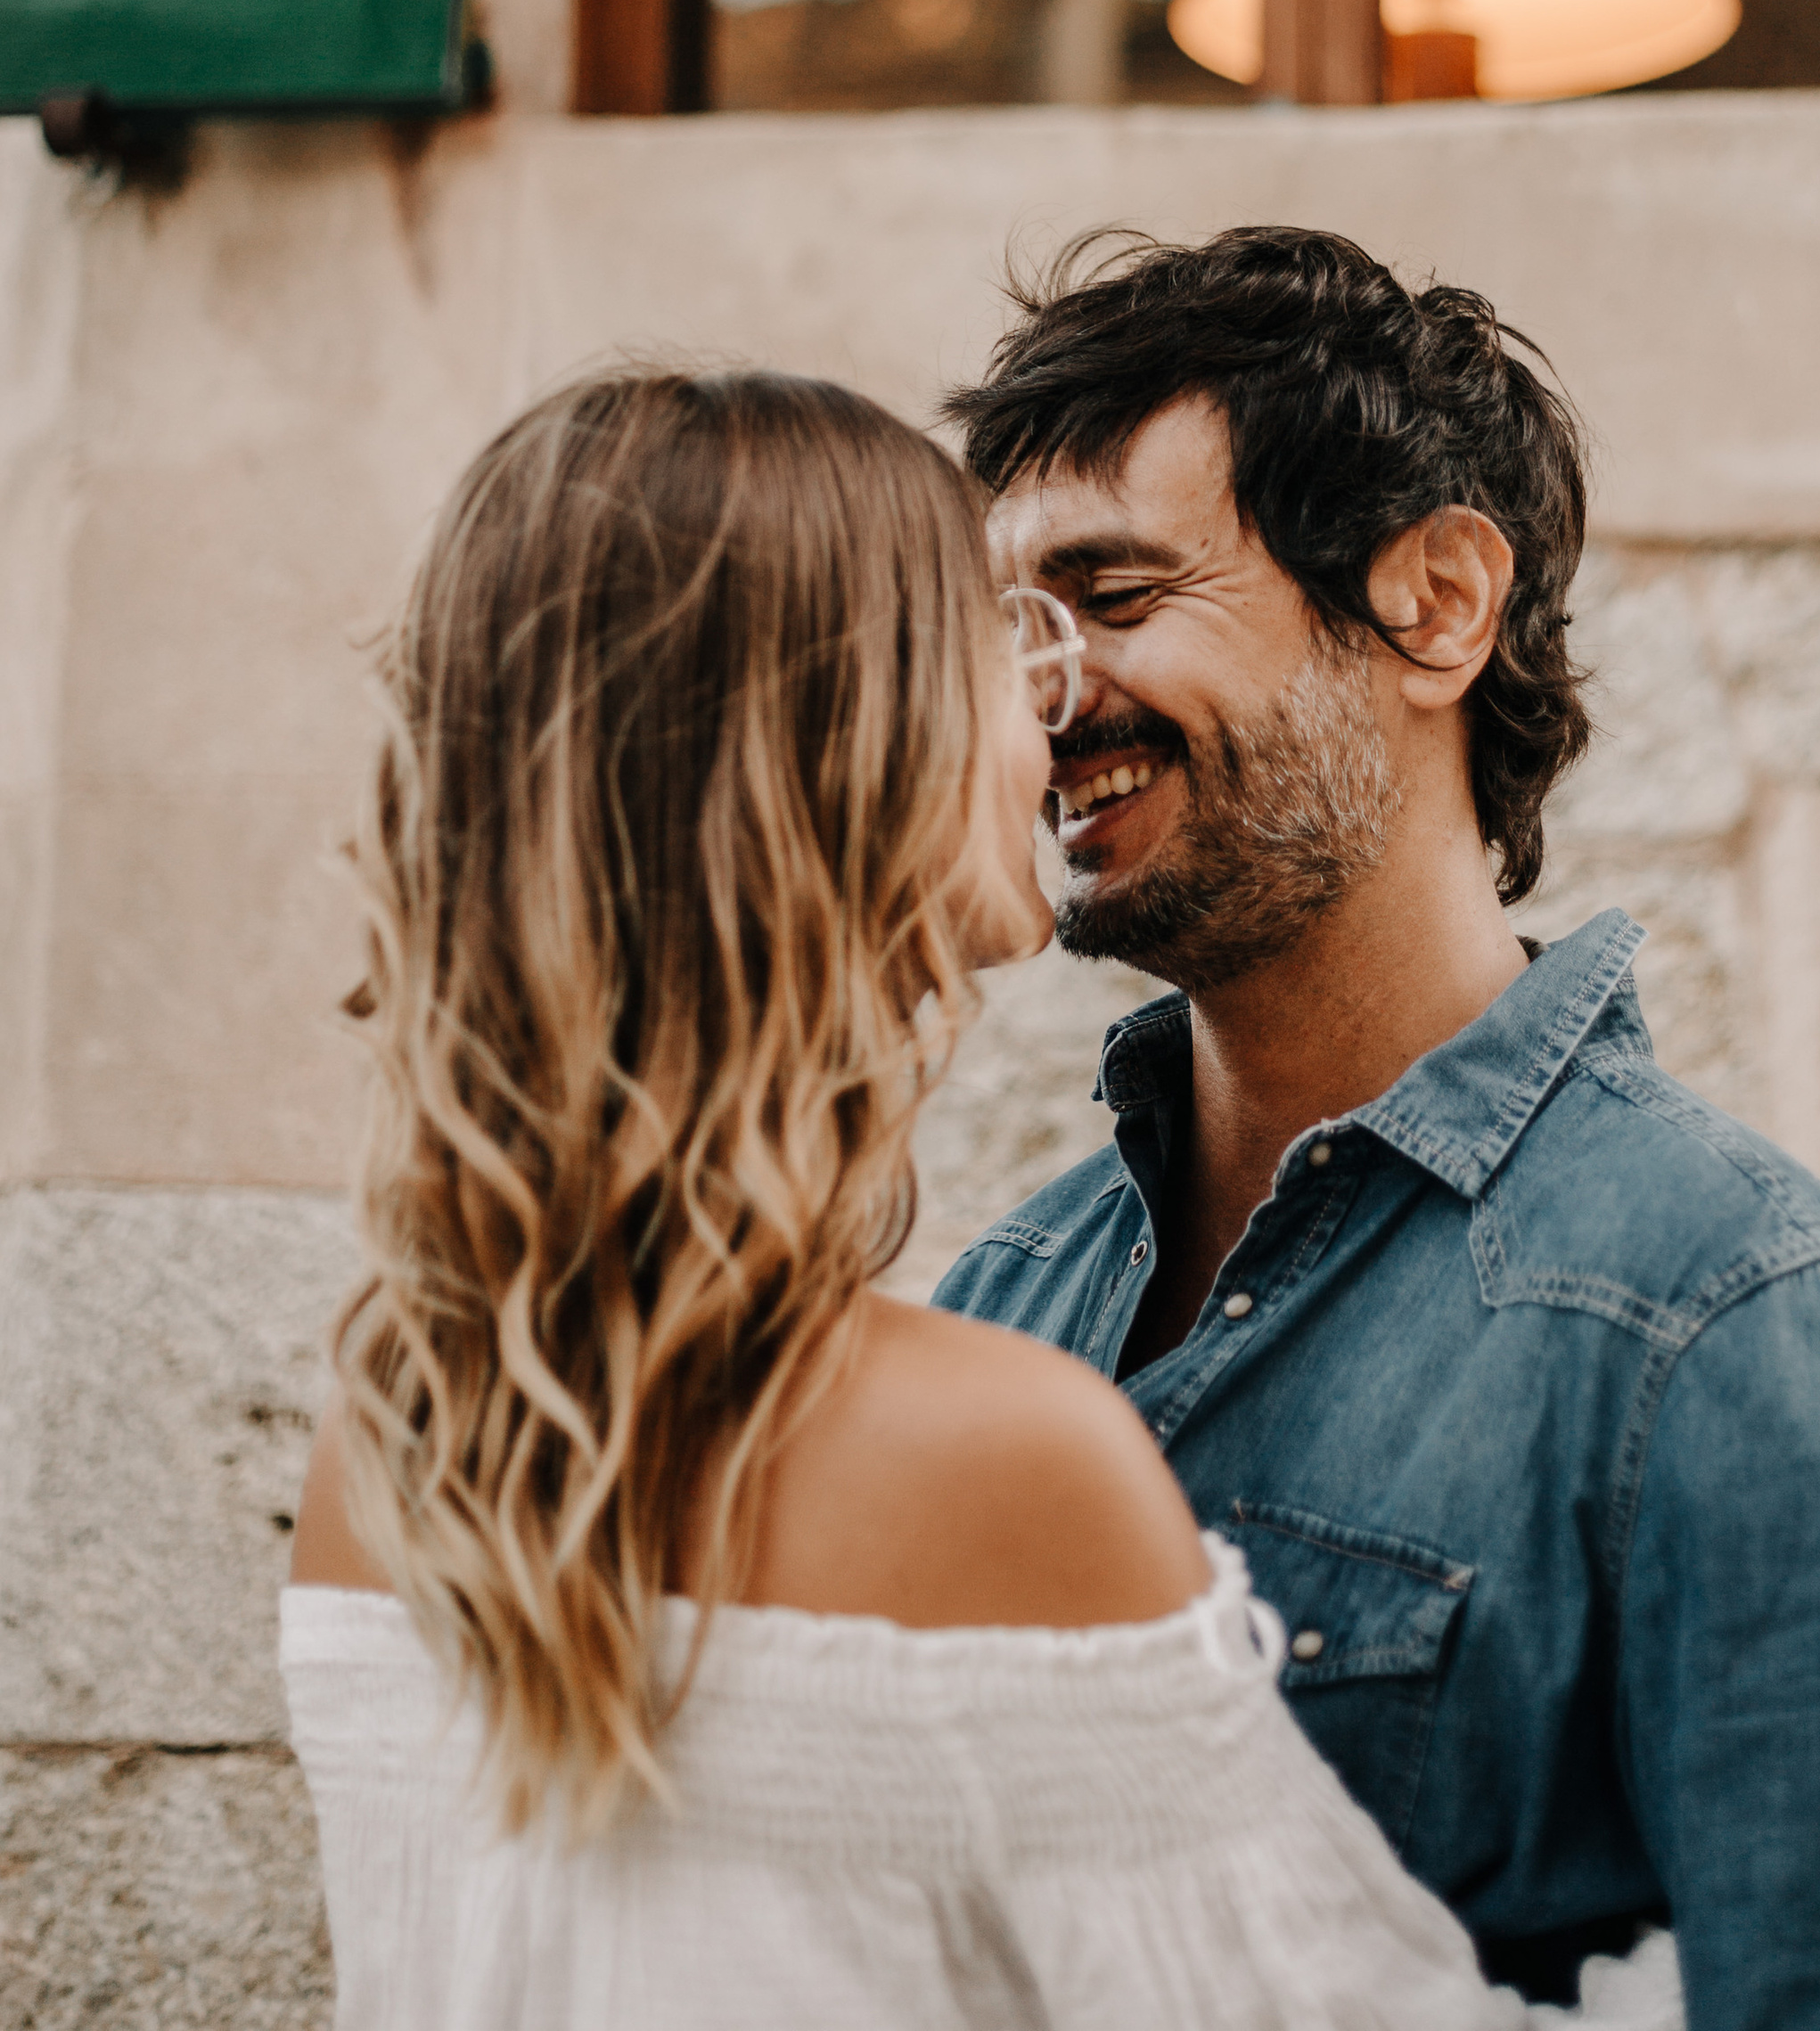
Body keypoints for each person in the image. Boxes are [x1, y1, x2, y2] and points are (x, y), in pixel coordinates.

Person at [281, 365, 1676, 2029]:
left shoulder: (387, 1452)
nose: (1053, 702)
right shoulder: (1008, 1458)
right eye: (997, 632)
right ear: (838, 748)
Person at [937, 226, 1820, 2028]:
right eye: (1013, 626)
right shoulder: (995, 1304)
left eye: (1114, 600)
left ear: (1433, 602)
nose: (1042, 692)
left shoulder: (1744, 1332)